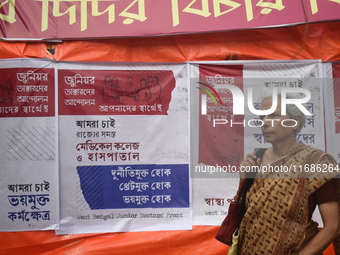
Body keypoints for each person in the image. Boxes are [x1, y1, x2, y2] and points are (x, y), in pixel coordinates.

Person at [236, 91, 340, 255]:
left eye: (274, 116)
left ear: (294, 122)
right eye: (262, 117)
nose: (265, 123)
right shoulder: (256, 158)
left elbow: (333, 227)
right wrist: (244, 180)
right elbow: (249, 215)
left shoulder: (315, 162)